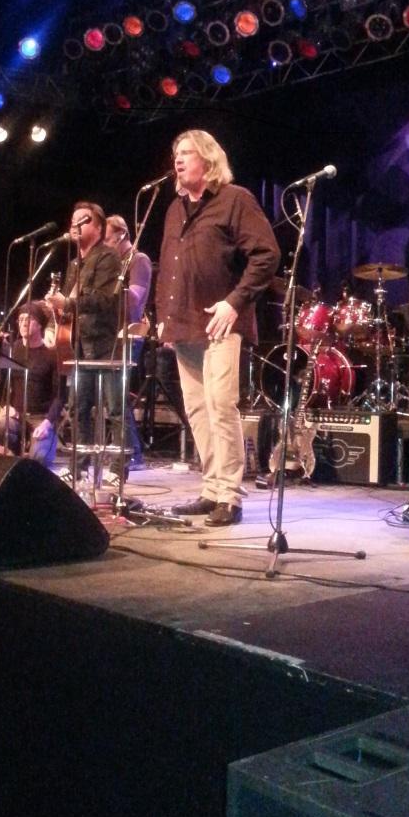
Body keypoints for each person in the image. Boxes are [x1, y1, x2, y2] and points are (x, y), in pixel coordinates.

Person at [157, 130, 280, 526]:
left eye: (187, 153)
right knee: (196, 408)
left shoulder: (234, 199)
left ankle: (229, 495)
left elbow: (266, 254)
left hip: (221, 321)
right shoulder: (174, 209)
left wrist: (234, 302)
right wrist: (163, 315)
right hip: (183, 322)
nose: (178, 160)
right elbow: (169, 266)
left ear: (208, 159)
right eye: (176, 153)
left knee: (220, 404)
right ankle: (211, 489)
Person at [44, 201, 122, 472]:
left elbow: (105, 300)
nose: (75, 224)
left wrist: (67, 303)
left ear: (99, 229)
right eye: (73, 220)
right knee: (78, 408)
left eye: (83, 220)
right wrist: (53, 320)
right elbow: (66, 306)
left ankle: (117, 470)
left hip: (104, 342)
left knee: (115, 409)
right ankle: (79, 468)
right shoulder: (75, 264)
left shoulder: (108, 258)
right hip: (78, 343)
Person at [104, 214, 153, 469]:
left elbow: (135, 298)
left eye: (107, 239)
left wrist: (105, 287)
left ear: (121, 235)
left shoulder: (138, 260)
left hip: (129, 334)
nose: (104, 244)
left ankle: (131, 453)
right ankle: (127, 449)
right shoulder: (113, 262)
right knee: (112, 397)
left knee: (116, 397)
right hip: (110, 333)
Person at [0, 301, 62, 468]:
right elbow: (0, 387)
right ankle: (17, 455)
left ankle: (33, 451)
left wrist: (47, 423)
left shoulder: (51, 355)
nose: (23, 323)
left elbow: (60, 396)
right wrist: (7, 406)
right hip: (17, 416)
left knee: (39, 459)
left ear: (40, 325)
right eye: (21, 319)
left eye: (29, 319)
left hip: (41, 418)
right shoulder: (12, 350)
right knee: (0, 428)